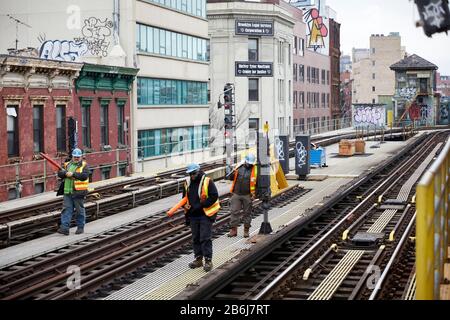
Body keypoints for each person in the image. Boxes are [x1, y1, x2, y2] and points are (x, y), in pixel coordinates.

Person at [182, 163, 220, 272]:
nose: (192, 176)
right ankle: (198, 259)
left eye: (193, 173)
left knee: (205, 238)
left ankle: (208, 260)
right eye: (190, 174)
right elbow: (184, 198)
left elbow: (214, 196)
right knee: (196, 238)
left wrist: (201, 205)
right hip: (193, 215)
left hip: (205, 214)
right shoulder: (187, 182)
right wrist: (186, 210)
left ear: (198, 171)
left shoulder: (207, 181)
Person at [56, 148, 90, 235]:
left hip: (78, 192)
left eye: (78, 157)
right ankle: (65, 228)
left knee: (79, 211)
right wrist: (65, 173)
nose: (76, 158)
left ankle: (80, 227)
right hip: (67, 192)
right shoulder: (67, 164)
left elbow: (84, 176)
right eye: (75, 157)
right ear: (72, 156)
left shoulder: (84, 165)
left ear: (81, 157)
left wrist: (73, 174)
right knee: (66, 210)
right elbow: (60, 173)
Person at [228, 154, 258, 238]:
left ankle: (246, 231)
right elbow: (230, 178)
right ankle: (233, 231)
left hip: (248, 195)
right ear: (245, 161)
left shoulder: (255, 170)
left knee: (247, 213)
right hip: (236, 194)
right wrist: (232, 173)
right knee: (234, 212)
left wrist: (255, 195)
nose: (250, 164)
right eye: (248, 163)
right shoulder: (239, 168)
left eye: (251, 163)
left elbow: (258, 184)